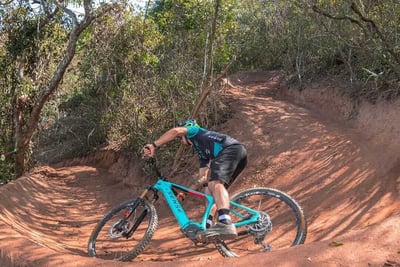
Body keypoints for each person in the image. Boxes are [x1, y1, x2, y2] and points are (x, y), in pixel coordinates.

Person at [143, 118, 247, 240]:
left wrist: (154, 145)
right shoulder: (202, 153)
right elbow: (202, 178)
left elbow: (175, 131)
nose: (181, 141)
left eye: (181, 138)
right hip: (238, 155)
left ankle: (225, 222)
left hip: (231, 150)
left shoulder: (195, 131)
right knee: (209, 188)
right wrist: (185, 193)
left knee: (215, 183)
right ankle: (209, 225)